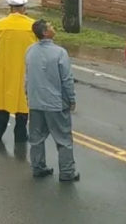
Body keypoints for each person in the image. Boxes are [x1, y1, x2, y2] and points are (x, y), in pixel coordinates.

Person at [25, 19, 79, 182]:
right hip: (55, 103)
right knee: (63, 139)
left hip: (36, 101)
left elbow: (27, 76)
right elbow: (67, 79)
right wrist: (71, 99)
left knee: (36, 137)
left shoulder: (30, 51)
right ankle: (67, 172)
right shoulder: (59, 53)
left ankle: (38, 167)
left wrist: (28, 95)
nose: (54, 28)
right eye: (51, 27)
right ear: (45, 33)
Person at [0, 0, 36, 143]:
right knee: (23, 105)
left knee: (2, 104)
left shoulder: (0, 24)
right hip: (25, 72)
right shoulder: (32, 26)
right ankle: (20, 136)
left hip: (5, 71)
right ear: (24, 9)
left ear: (10, 8)